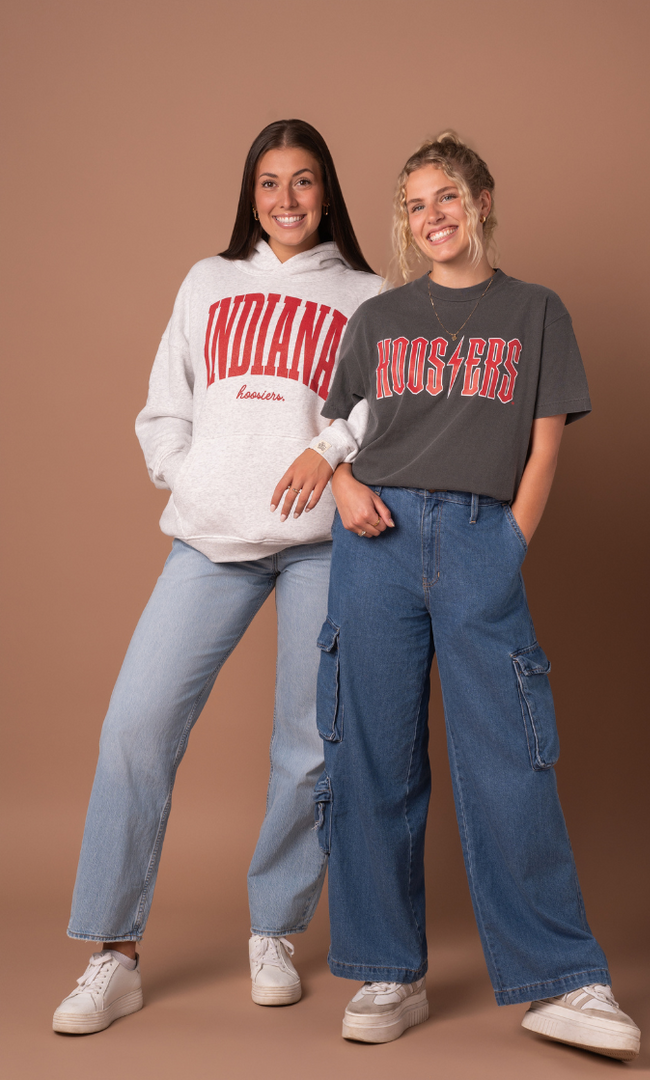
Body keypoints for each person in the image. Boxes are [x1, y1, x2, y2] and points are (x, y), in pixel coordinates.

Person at [306, 131, 641, 1060]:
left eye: (447, 196)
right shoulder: (380, 317)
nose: (432, 217)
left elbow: (543, 444)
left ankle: (564, 978)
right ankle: (386, 967)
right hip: (375, 541)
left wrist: (511, 545)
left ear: (482, 201)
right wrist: (342, 489)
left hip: (480, 537)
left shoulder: (536, 311)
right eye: (415, 205)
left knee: (510, 754)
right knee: (371, 752)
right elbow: (335, 431)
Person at [52, 119, 382, 1035]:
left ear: (328, 192)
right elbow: (166, 405)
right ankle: (111, 953)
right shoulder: (208, 281)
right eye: (270, 183)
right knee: (136, 724)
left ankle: (274, 929)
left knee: (309, 742)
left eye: (304, 182)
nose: (286, 200)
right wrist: (189, 476)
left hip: (323, 542)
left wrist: (326, 449)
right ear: (250, 194)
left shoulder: (366, 295)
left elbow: (379, 410)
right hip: (208, 540)